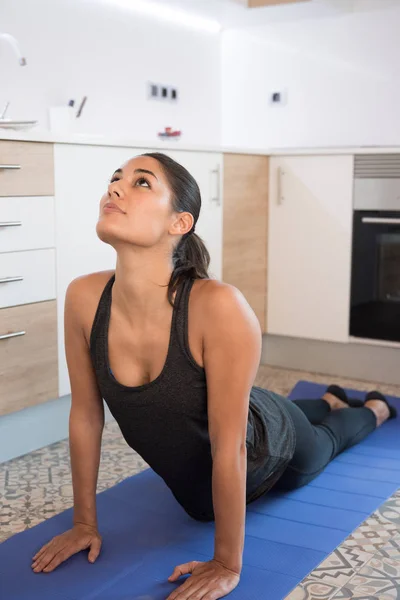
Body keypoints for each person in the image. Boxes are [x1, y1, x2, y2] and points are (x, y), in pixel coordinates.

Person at [31, 152, 397, 600]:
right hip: (224, 446)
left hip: (268, 451)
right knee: (256, 409)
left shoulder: (218, 306)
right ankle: (329, 399)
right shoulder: (84, 298)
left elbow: (231, 445)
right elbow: (86, 413)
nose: (115, 187)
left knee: (324, 443)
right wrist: (84, 523)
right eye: (115, 178)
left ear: (179, 222)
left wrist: (226, 562)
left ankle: (373, 409)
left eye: (141, 182)